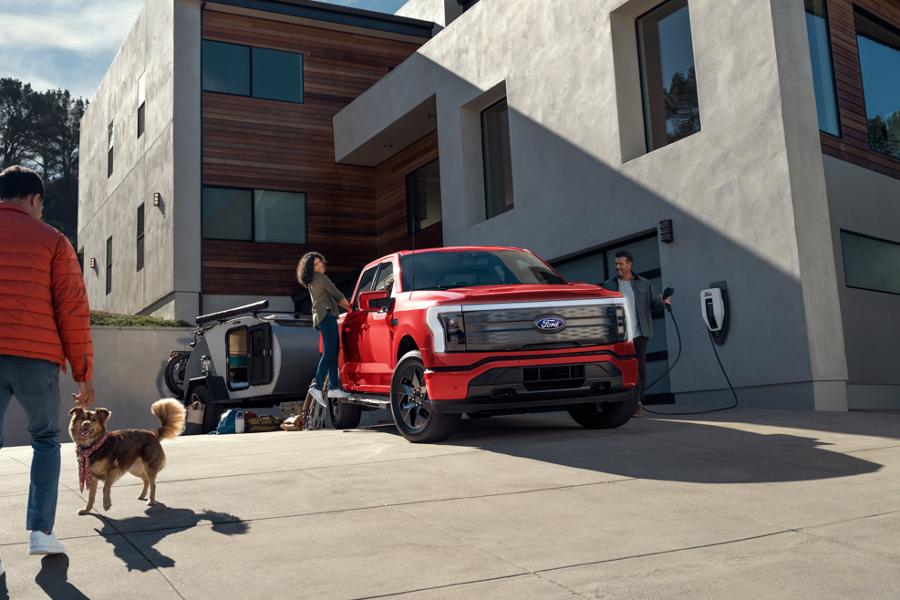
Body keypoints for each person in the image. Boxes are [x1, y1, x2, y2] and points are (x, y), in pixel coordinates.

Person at [0, 166, 95, 565]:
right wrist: (83, 373)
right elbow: (72, 310)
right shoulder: (54, 241)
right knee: (44, 441)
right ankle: (41, 532)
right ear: (35, 199)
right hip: (35, 356)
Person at [602, 250, 672, 417]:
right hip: (620, 337)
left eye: (620, 264)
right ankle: (621, 402)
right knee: (619, 369)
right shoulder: (608, 285)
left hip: (640, 334)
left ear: (629, 265)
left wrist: (663, 303)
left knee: (640, 368)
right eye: (615, 264)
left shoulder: (644, 284)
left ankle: (638, 402)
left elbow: (654, 304)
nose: (617, 267)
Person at [297, 252, 351, 407]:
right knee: (330, 352)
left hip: (321, 318)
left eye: (320, 262)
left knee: (332, 351)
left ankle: (334, 387)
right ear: (311, 268)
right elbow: (337, 295)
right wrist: (351, 306)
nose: (320, 265)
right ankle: (317, 386)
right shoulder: (321, 278)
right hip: (326, 317)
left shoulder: (312, 281)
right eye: (316, 264)